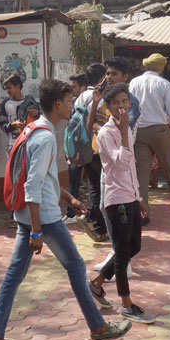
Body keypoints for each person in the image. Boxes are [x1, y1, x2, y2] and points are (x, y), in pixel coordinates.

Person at [0, 79, 132, 340]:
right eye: (68, 100)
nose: (71, 105)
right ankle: (98, 327)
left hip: (29, 216)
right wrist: (37, 231)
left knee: (14, 276)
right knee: (75, 267)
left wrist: (69, 198)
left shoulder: (35, 129)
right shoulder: (45, 137)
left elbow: (43, 178)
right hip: (44, 218)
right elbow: (32, 186)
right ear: (58, 104)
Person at [87, 84, 154, 323]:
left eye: (124, 101)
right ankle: (126, 304)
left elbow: (131, 169)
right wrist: (124, 132)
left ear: (129, 103)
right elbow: (122, 163)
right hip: (117, 200)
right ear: (108, 107)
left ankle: (96, 283)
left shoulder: (124, 130)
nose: (121, 107)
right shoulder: (107, 133)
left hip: (130, 197)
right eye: (116, 103)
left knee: (134, 247)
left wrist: (138, 197)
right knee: (123, 253)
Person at [129, 54, 170, 217]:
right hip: (160, 131)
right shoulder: (163, 84)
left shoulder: (134, 82)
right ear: (161, 67)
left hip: (139, 131)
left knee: (141, 173)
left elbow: (130, 107)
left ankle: (142, 213)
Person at [74, 63, 109, 242]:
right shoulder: (99, 98)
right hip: (97, 145)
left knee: (94, 186)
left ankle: (98, 225)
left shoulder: (80, 96)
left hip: (82, 147)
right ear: (102, 78)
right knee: (101, 187)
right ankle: (91, 217)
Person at [65, 73, 89, 221]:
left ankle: (88, 213)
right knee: (74, 180)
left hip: (86, 148)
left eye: (73, 86)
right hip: (74, 147)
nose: (71, 89)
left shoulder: (90, 102)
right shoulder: (71, 102)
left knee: (91, 182)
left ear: (82, 87)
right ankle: (71, 213)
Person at [0, 74, 28, 153]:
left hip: (27, 143)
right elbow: (2, 125)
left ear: (18, 87)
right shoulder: (6, 103)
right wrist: (12, 125)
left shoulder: (29, 102)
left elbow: (37, 122)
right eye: (6, 88)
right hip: (12, 145)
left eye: (9, 88)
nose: (7, 91)